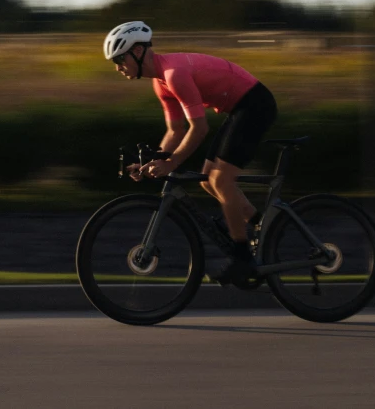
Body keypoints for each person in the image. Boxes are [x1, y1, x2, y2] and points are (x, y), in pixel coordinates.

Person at [103, 21, 277, 284]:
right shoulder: (161, 83)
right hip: (239, 109)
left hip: (255, 105)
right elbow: (175, 130)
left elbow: (199, 128)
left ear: (138, 51)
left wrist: (171, 164)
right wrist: (152, 162)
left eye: (119, 58)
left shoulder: (174, 74)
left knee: (221, 180)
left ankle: (243, 260)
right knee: (208, 180)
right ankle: (262, 226)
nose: (117, 67)